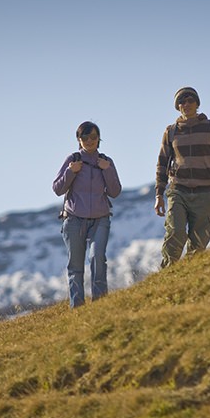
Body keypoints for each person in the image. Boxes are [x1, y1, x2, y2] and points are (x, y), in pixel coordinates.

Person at [154, 86, 210, 268]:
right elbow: (161, 164)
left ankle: (191, 274)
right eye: (182, 101)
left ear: (197, 103)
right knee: (175, 232)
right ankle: (168, 275)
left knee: (199, 241)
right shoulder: (171, 132)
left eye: (191, 100)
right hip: (178, 191)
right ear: (178, 107)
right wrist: (159, 194)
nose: (187, 104)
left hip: (204, 193)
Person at [53, 121, 122, 308]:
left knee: (97, 257)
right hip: (74, 220)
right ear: (79, 139)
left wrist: (106, 169)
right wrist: (70, 171)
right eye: (85, 137)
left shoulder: (106, 161)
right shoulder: (73, 159)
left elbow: (115, 192)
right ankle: (78, 308)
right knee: (75, 266)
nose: (89, 141)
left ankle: (100, 304)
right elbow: (57, 189)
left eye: (93, 137)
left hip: (100, 219)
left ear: (99, 139)